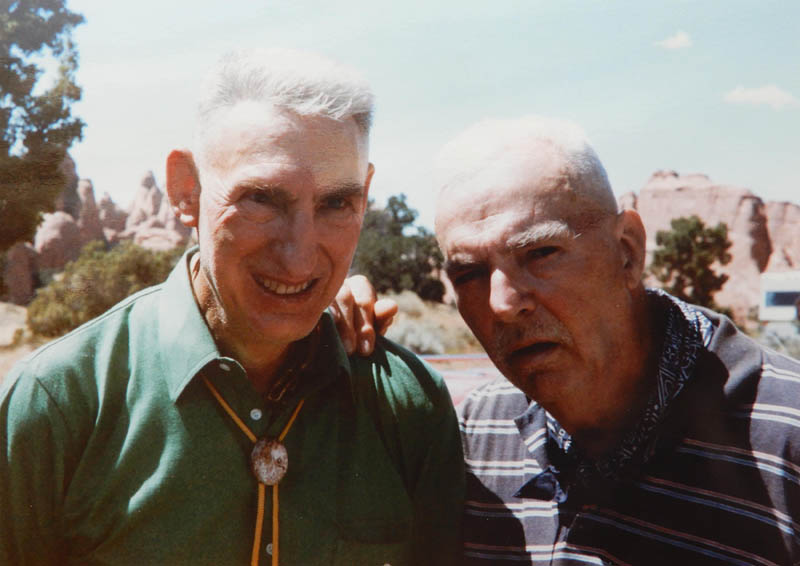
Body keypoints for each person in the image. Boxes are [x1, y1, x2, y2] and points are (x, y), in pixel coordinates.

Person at [0, 48, 463, 566]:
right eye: (262, 200)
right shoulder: (60, 404)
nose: (298, 256)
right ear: (185, 189)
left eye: (336, 204)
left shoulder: (405, 404)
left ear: (366, 194)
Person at [342, 116, 800, 564]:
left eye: (540, 253)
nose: (502, 304)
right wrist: (314, 343)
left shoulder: (785, 437)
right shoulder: (476, 434)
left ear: (627, 251)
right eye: (469, 273)